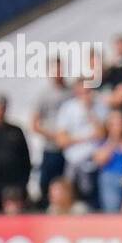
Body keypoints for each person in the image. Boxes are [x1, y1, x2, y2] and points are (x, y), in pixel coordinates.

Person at [30, 59, 70, 206]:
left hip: (70, 147)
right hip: (51, 147)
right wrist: (54, 136)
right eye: (55, 70)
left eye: (60, 70)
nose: (58, 74)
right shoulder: (44, 95)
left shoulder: (71, 92)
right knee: (47, 184)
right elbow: (34, 124)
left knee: (67, 183)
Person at [90, 109, 122, 212]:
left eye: (120, 122)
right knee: (112, 210)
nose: (117, 126)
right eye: (114, 123)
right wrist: (114, 140)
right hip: (110, 178)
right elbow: (100, 160)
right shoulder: (103, 142)